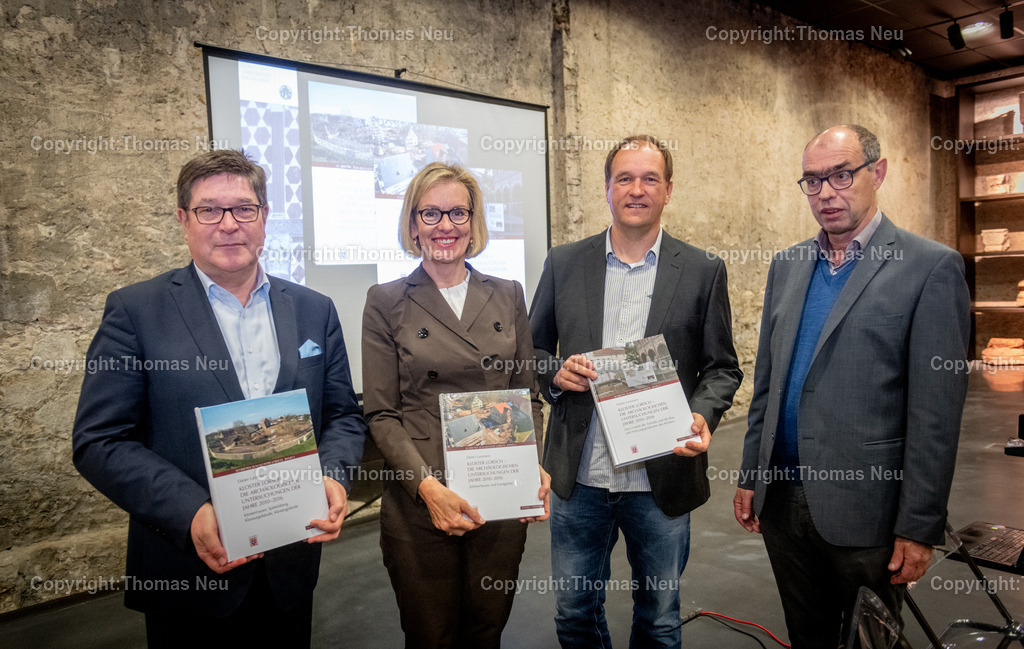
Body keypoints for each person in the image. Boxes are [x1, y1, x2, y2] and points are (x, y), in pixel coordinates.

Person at [72, 149, 365, 648]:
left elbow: (342, 416)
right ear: (183, 219)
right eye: (209, 210)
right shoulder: (135, 311)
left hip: (290, 565)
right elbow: (100, 440)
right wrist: (190, 512)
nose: (229, 224)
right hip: (188, 573)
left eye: (244, 209)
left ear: (264, 216)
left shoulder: (314, 309)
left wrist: (333, 476)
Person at [733, 125, 970, 648]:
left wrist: (919, 526)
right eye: (813, 181)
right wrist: (751, 473)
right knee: (806, 634)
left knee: (871, 640)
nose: (826, 193)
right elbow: (767, 385)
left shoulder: (930, 267)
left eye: (841, 175)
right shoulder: (787, 266)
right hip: (783, 501)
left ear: (877, 173)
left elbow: (935, 416)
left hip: (867, 509)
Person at [530, 134, 743, 648]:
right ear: (607, 188)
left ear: (668, 190)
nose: (636, 189)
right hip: (580, 475)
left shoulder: (702, 270)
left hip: (661, 475)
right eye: (624, 178)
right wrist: (554, 374)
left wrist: (701, 415)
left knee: (660, 620)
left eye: (650, 178)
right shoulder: (564, 263)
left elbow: (722, 368)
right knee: (574, 614)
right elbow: (530, 352)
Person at [361, 162, 550, 649]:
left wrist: (531, 463)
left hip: (498, 490)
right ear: (412, 224)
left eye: (457, 213)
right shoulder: (386, 300)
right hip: (421, 497)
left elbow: (527, 394)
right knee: (432, 635)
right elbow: (381, 413)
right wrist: (428, 489)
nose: (445, 225)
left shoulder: (508, 294)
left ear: (474, 221)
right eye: (430, 213)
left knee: (487, 630)